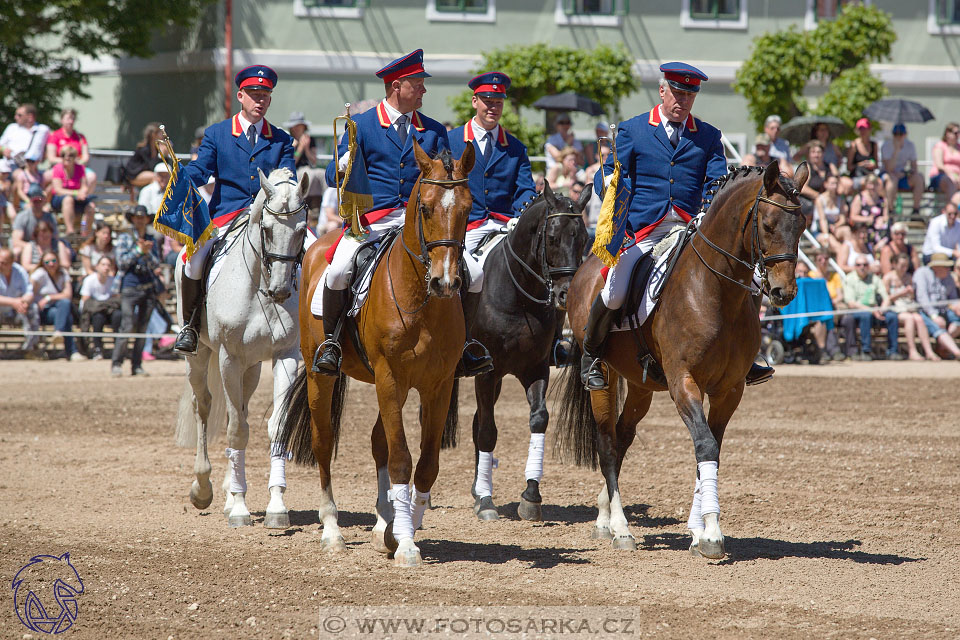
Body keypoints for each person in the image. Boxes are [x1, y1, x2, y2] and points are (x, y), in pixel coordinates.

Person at [582, 62, 754, 390]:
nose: (682, 101)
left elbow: (716, 182)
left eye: (689, 95)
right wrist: (610, 183)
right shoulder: (633, 130)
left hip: (692, 227)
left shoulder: (708, 136)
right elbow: (606, 172)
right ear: (662, 91)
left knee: (745, 277)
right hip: (645, 229)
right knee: (616, 289)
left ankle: (745, 354)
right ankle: (590, 353)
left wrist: (715, 201)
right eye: (677, 93)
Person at [315, 49, 461, 376]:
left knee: (458, 269)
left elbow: (447, 177)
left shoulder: (434, 130)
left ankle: (463, 345)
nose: (423, 90)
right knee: (338, 270)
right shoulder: (362, 125)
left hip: (420, 224)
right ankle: (331, 342)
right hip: (373, 220)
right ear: (397, 86)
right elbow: (329, 175)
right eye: (418, 84)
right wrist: (341, 166)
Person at [173, 64, 296, 355]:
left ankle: (317, 330)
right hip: (228, 216)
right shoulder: (217, 134)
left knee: (314, 251)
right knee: (192, 260)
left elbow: (288, 176)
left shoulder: (281, 139)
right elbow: (203, 169)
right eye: (254, 94)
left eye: (265, 94)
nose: (260, 100)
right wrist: (181, 176)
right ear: (240, 96)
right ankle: (190, 325)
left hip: (270, 217)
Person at [448, 71, 538, 373]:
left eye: (498, 101)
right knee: (464, 276)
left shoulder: (515, 147)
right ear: (475, 102)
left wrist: (520, 215)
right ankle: (461, 341)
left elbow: (525, 187)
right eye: (487, 100)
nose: (492, 106)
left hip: (504, 225)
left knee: (539, 266)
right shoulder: (450, 142)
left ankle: (549, 344)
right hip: (467, 228)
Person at [111, 205, 162, 376]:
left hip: (147, 287)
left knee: (142, 329)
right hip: (129, 287)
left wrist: (147, 253)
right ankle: (116, 364)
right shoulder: (125, 237)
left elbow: (156, 264)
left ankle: (136, 365)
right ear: (132, 218)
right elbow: (121, 262)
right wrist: (139, 250)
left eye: (143, 217)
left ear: (147, 219)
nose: (140, 220)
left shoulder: (151, 238)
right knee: (126, 326)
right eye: (137, 217)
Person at [839, 256, 899, 360]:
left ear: (868, 266)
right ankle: (866, 351)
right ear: (855, 267)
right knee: (865, 316)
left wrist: (882, 309)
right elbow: (851, 303)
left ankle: (893, 351)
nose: (862, 267)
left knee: (892, 317)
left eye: (865, 265)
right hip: (857, 311)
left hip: (876, 310)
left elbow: (886, 297)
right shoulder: (849, 279)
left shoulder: (875, 278)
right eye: (859, 265)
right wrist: (871, 311)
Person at [883, 253, 938, 361]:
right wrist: (902, 293)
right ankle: (912, 351)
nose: (904, 268)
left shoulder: (909, 277)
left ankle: (928, 351)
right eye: (902, 265)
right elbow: (886, 298)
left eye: (906, 265)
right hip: (894, 309)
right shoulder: (888, 278)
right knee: (910, 318)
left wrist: (910, 293)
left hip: (908, 307)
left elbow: (912, 297)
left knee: (919, 319)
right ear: (894, 264)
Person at [30, 250, 83, 361]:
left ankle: (58, 332)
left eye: (53, 260)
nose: (51, 264)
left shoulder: (63, 273)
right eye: (47, 261)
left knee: (65, 305)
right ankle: (72, 351)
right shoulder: (39, 274)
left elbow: (68, 295)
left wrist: (49, 297)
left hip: (58, 310)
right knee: (66, 315)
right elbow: (30, 292)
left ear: (58, 261)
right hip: (42, 311)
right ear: (42, 263)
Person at [913, 252, 960, 358]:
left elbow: (953, 299)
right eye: (946, 266)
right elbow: (922, 299)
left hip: (944, 311)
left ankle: (942, 347)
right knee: (937, 325)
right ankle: (957, 352)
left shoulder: (948, 277)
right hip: (925, 312)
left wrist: (956, 306)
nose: (949, 269)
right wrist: (934, 316)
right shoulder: (922, 274)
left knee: (957, 321)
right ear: (936, 267)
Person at [78, 255, 121, 360]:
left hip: (109, 310)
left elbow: (116, 299)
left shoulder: (113, 281)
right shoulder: (89, 280)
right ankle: (97, 349)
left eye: (108, 265)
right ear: (97, 266)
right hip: (94, 311)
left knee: (118, 315)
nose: (106, 267)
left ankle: (118, 348)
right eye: (103, 264)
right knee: (98, 317)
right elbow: (85, 300)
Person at [45, 107, 97, 194]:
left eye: (73, 119)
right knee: (45, 177)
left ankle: (84, 200)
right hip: (59, 168)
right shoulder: (54, 136)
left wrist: (75, 163)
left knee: (92, 176)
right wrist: (68, 161)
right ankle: (45, 203)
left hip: (78, 168)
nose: (71, 121)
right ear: (62, 120)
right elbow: (51, 158)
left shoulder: (80, 137)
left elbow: (85, 157)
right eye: (68, 118)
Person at [50, 146, 96, 237]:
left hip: (77, 198)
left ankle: (84, 231)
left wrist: (82, 193)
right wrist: (75, 193)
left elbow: (84, 186)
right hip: (60, 199)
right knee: (68, 199)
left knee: (91, 207)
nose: (67, 158)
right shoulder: (58, 168)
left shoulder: (80, 168)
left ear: (75, 157)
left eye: (70, 155)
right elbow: (58, 190)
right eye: (63, 155)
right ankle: (70, 230)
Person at [0, 247, 40, 352]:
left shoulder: (20, 271)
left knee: (32, 308)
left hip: (17, 309)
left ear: (12, 262)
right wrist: (14, 302)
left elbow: (29, 292)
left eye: (4, 263)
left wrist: (25, 302)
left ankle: (31, 348)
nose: (1, 265)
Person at [880, 123, 923, 216]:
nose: (898, 137)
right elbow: (889, 168)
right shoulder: (886, 145)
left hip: (902, 175)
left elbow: (914, 167)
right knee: (892, 180)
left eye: (901, 134)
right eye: (896, 134)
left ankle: (916, 211)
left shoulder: (910, 145)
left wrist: (905, 173)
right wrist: (896, 150)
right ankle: (890, 210)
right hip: (888, 175)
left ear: (905, 135)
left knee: (919, 178)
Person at [0, 103, 50, 181]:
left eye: (19, 115)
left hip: (32, 167)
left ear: (30, 117)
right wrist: (4, 150)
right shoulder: (12, 128)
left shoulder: (42, 130)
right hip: (11, 165)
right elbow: (1, 145)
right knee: (21, 177)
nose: (15, 117)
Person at [285, 111, 325, 206]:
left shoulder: (310, 139)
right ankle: (304, 200)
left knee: (323, 174)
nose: (298, 128)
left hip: (309, 167)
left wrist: (306, 148)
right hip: (295, 170)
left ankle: (326, 201)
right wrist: (300, 148)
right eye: (296, 126)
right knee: (306, 174)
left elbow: (313, 161)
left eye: (300, 125)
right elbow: (292, 163)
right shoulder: (288, 140)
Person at [10, 183, 59, 262]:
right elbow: (16, 241)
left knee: (62, 248)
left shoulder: (50, 217)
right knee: (16, 252)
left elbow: (55, 237)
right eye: (35, 201)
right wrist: (33, 248)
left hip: (46, 247)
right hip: (26, 246)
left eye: (39, 201)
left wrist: (43, 248)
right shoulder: (22, 216)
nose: (37, 204)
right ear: (30, 202)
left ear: (44, 201)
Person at [797, 140, 837, 227]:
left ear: (823, 153)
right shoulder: (808, 167)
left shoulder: (828, 167)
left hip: (828, 200)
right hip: (810, 201)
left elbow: (837, 181)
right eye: (813, 152)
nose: (816, 155)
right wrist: (819, 196)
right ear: (809, 154)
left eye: (819, 152)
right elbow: (802, 187)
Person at [848, 173, 888, 248]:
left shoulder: (882, 199)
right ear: (866, 184)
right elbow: (852, 216)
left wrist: (882, 219)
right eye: (870, 184)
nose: (872, 187)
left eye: (874, 184)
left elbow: (886, 216)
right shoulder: (859, 198)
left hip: (879, 228)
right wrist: (867, 219)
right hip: (864, 228)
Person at [814, 173, 849, 253]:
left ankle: (851, 252)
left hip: (834, 228)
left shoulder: (840, 199)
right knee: (834, 243)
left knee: (847, 230)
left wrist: (835, 226)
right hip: (820, 230)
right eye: (832, 183)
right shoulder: (820, 199)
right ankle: (844, 259)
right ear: (826, 184)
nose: (835, 186)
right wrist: (826, 234)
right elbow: (822, 219)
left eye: (836, 183)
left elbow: (843, 219)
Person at [929, 122, 960, 200]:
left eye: (959, 133)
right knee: (950, 181)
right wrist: (951, 174)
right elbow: (939, 165)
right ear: (947, 133)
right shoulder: (940, 146)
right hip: (940, 177)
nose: (957, 135)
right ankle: (952, 209)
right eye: (955, 133)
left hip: (957, 178)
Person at [847, 118, 879, 191]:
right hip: (857, 176)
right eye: (861, 128)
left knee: (879, 183)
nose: (863, 131)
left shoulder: (874, 145)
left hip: (870, 175)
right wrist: (861, 164)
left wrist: (872, 164)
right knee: (866, 183)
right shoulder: (853, 145)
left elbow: (876, 165)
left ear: (869, 129)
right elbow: (849, 167)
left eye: (865, 128)